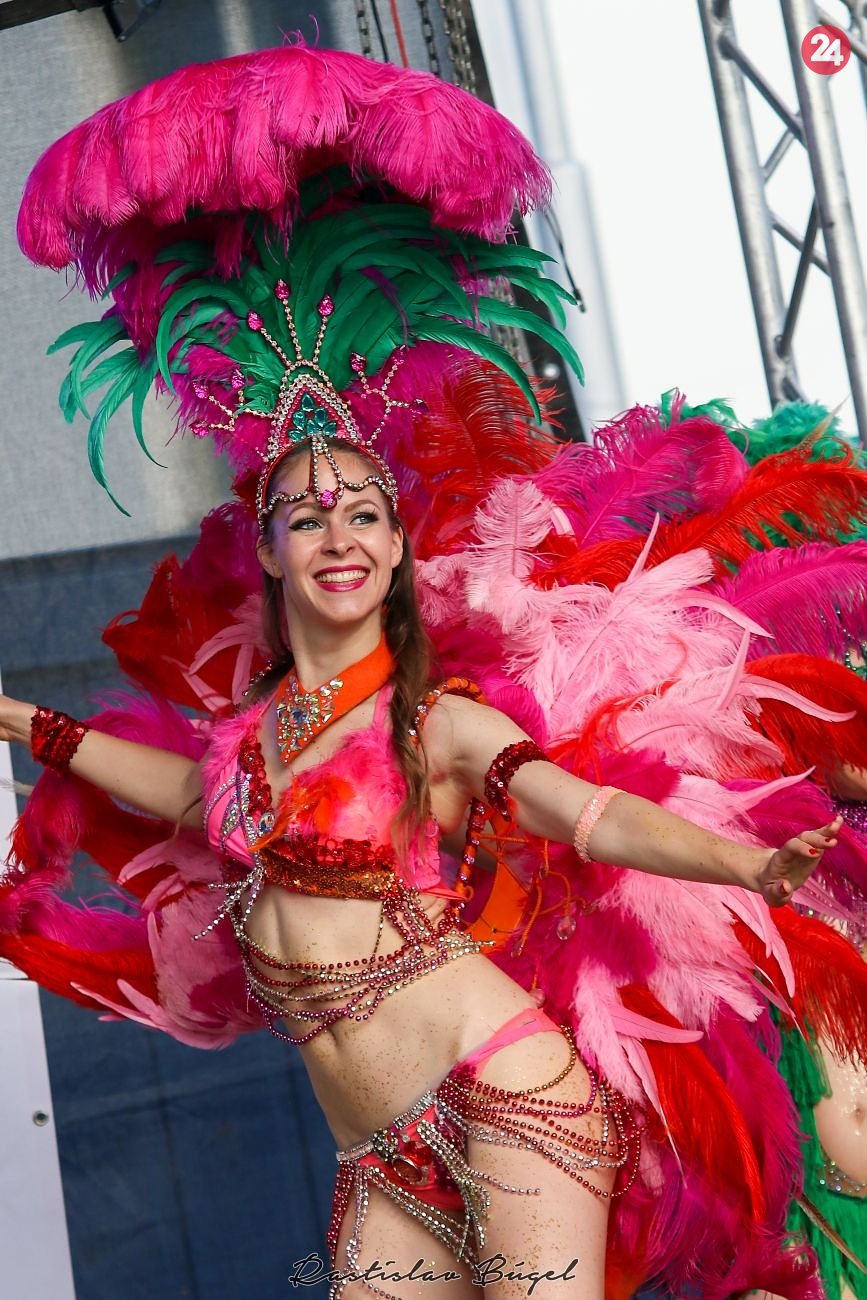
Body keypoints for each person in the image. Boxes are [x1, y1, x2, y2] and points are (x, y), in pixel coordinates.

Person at [2, 42, 865, 1300]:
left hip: (501, 1097)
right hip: (380, 1148)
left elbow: (590, 812)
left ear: (398, 550)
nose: (339, 534)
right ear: (268, 547)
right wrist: (26, 722)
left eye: (364, 513)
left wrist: (745, 866)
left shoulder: (431, 722)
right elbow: (189, 797)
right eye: (309, 516)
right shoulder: (255, 737)